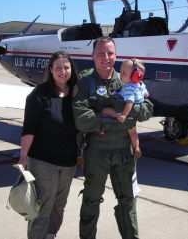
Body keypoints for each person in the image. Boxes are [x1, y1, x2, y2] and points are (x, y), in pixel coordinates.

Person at [72, 37, 153, 239]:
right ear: (92, 56)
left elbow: (147, 109)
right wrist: (121, 121)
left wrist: (107, 116)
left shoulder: (127, 79)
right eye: (100, 53)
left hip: (125, 153)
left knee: (128, 201)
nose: (105, 58)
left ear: (116, 55)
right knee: (91, 200)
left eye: (109, 53)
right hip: (97, 153)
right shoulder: (84, 82)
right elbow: (81, 117)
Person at [19, 51, 79, 239]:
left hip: (68, 162)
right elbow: (29, 129)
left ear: (71, 70)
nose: (63, 71)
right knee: (43, 207)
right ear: (51, 70)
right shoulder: (39, 94)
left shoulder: (77, 94)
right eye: (58, 68)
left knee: (58, 206)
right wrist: (23, 157)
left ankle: (50, 235)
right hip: (43, 161)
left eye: (66, 67)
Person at [101, 58, 149, 159]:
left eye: (124, 73)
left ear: (135, 76)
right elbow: (146, 94)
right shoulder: (141, 84)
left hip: (125, 113)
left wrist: (123, 115)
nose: (121, 74)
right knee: (133, 132)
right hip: (133, 118)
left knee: (105, 111)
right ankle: (136, 147)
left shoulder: (129, 88)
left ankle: (102, 130)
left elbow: (129, 103)